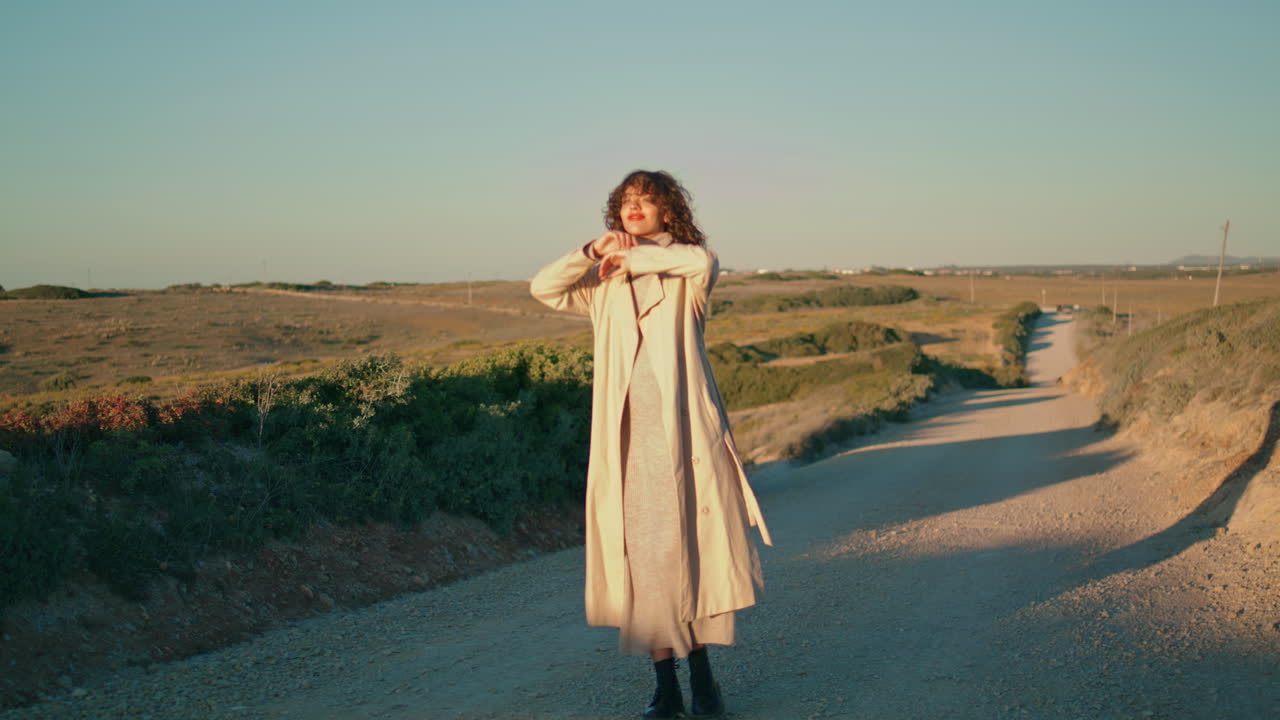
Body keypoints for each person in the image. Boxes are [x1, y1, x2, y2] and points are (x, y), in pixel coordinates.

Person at [530, 170, 772, 719]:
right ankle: (667, 685)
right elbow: (542, 287)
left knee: (688, 556)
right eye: (626, 202)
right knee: (644, 563)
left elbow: (699, 261)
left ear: (668, 212)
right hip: (628, 443)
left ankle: (704, 678)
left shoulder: (685, 271)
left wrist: (635, 255)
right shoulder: (602, 280)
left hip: (683, 440)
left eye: (647, 201)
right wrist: (593, 250)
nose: (635, 208)